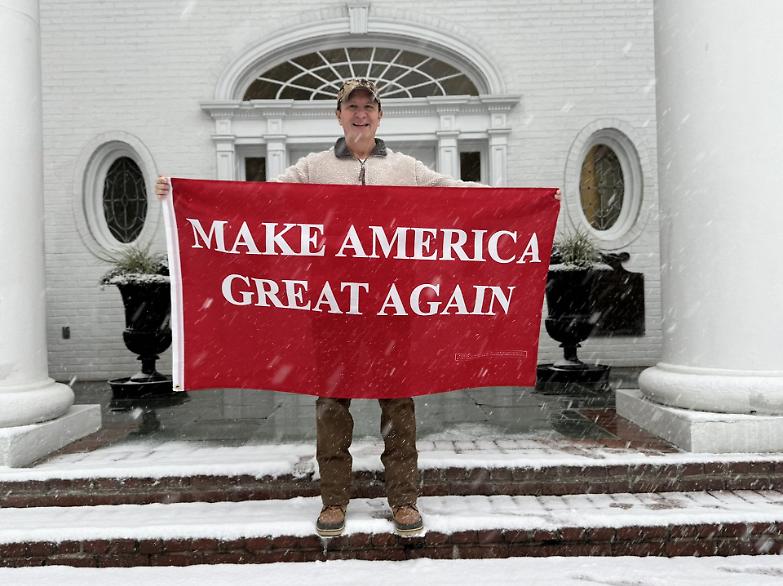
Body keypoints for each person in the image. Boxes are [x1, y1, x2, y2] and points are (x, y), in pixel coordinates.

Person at [156, 78, 560, 538]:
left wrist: (529, 204)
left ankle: (404, 500)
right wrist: (184, 194)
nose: (361, 114)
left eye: (369, 106)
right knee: (331, 403)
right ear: (339, 114)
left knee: (399, 402)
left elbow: (459, 194)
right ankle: (333, 500)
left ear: (380, 115)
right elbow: (257, 200)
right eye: (353, 106)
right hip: (331, 307)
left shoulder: (405, 168)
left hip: (391, 308)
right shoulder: (313, 168)